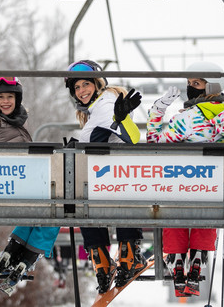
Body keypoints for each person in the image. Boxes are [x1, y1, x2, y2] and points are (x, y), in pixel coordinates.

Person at [146, 61, 224, 297]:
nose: (190, 88)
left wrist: (158, 111)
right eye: (189, 83)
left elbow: (155, 142)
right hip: (216, 185)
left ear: (210, 87)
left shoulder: (189, 118)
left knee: (174, 211)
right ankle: (199, 254)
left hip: (182, 181)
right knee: (207, 210)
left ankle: (177, 258)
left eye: (196, 83)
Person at [0, 76, 59, 291]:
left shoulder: (11, 122)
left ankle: (14, 251)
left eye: (10, 97)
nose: (6, 101)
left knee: (48, 205)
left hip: (12, 185)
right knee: (56, 208)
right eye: (0, 98)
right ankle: (27, 254)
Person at [64, 59, 146, 294]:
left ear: (97, 83)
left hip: (117, 173)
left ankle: (113, 260)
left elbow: (130, 137)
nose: (81, 91)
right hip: (106, 174)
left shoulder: (107, 102)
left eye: (85, 85)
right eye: (77, 88)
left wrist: (119, 121)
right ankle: (114, 259)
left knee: (92, 202)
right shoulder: (96, 109)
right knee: (85, 201)